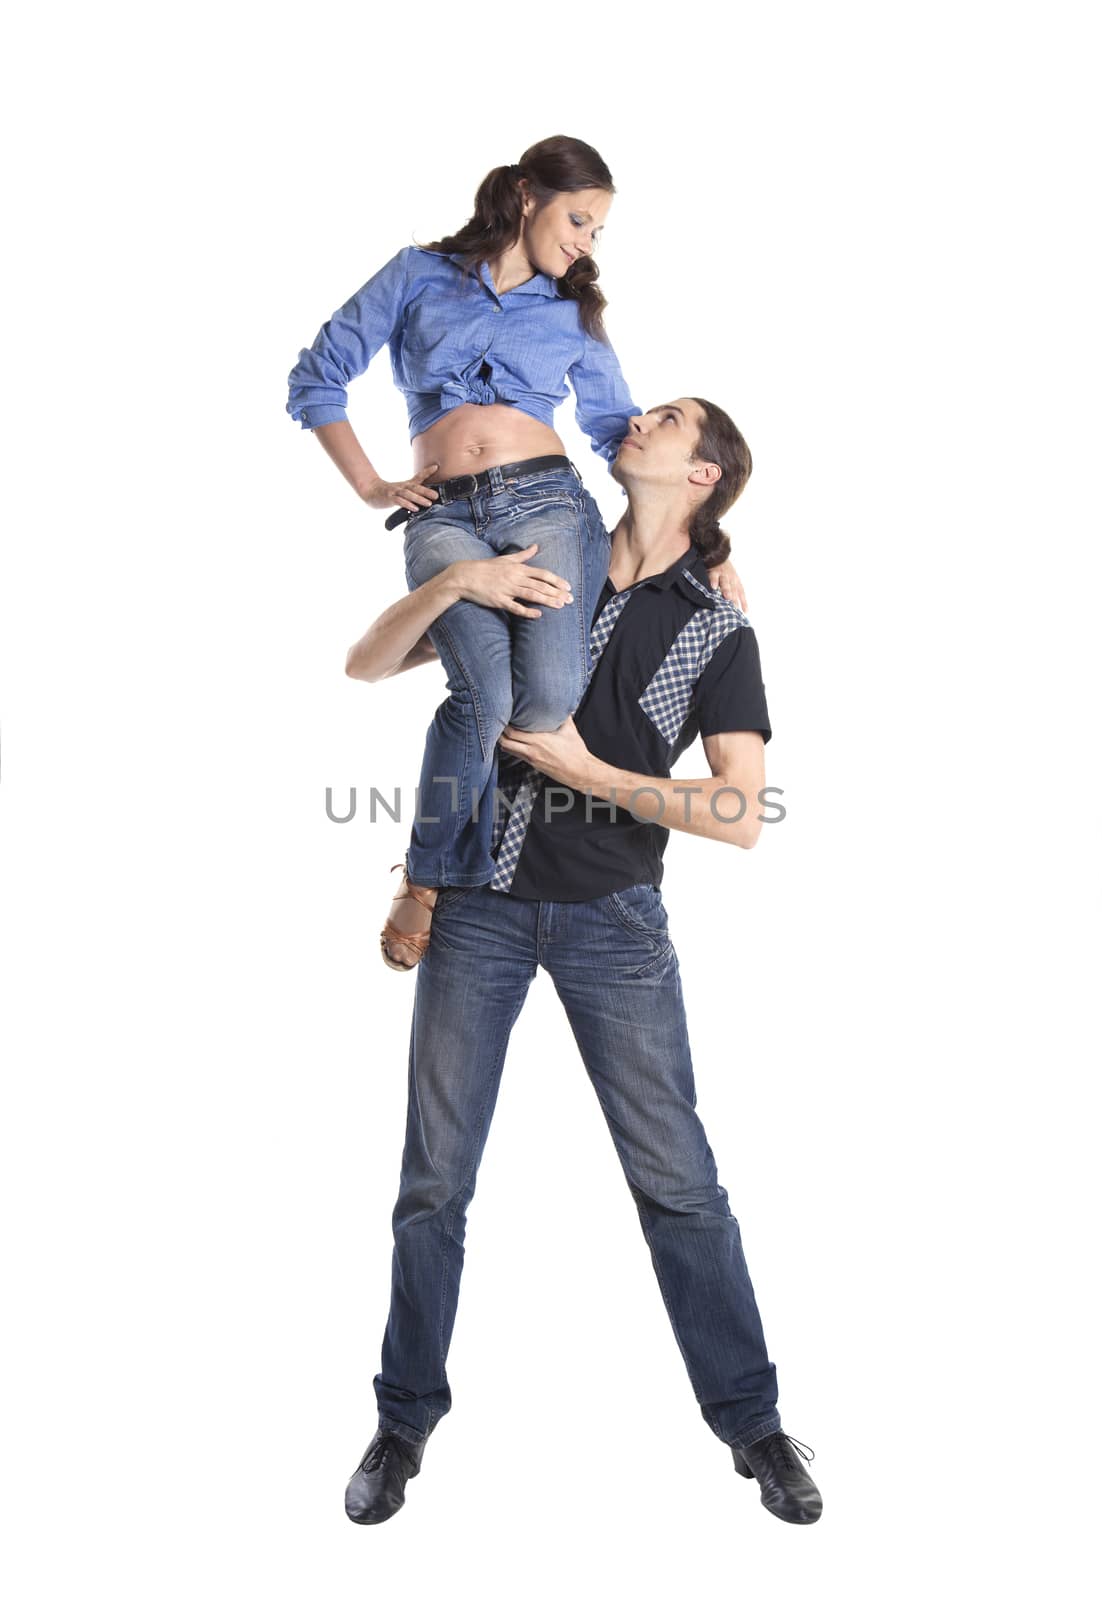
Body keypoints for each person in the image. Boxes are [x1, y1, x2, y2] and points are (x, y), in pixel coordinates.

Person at [341, 396, 822, 1527]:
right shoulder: (530, 551)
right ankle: (403, 1421)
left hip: (615, 921)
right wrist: (455, 582)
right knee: (433, 1184)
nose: (633, 421)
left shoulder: (718, 628)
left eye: (664, 422)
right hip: (475, 909)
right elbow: (365, 666)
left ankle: (753, 1424)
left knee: (680, 1185)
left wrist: (586, 769)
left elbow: (743, 812)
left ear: (701, 476)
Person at [286, 135, 744, 970]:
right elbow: (317, 376)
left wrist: (706, 542)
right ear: (527, 196)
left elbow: (622, 432)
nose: (586, 243)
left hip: (549, 505)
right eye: (580, 219)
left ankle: (479, 860)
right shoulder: (417, 274)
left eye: (598, 231)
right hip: (442, 517)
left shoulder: (574, 314)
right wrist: (369, 486)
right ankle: (427, 877)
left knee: (543, 702)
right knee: (484, 690)